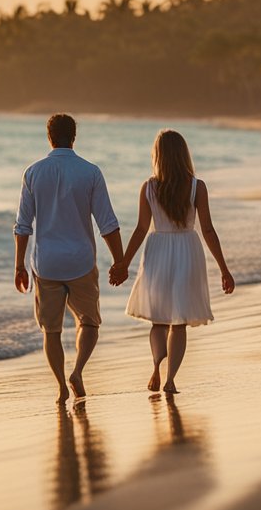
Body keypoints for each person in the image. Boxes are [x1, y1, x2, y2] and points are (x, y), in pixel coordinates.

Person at [110, 129, 235, 394]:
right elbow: (208, 230)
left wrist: (123, 263)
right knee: (178, 322)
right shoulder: (196, 186)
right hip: (187, 251)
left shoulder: (149, 187)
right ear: (183, 154)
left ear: (158, 155)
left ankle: (156, 366)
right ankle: (170, 380)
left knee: (159, 320)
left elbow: (142, 229)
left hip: (157, 251)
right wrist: (224, 269)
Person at [15, 114, 125, 403]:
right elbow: (108, 224)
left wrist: (19, 266)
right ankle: (77, 371)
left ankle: (61, 386)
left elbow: (22, 226)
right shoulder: (90, 172)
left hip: (46, 264)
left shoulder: (33, 172)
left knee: (51, 330)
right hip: (81, 261)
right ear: (73, 137)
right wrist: (120, 261)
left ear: (49, 137)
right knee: (89, 323)